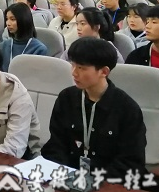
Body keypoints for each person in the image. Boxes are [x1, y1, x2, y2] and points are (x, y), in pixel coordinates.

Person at [42, 37, 146, 179]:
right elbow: (56, 145)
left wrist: (93, 180)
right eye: (73, 65)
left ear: (104, 71)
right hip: (68, 177)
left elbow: (130, 162)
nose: (74, 72)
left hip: (108, 182)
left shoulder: (127, 108)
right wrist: (65, 175)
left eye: (81, 68)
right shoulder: (66, 98)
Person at [0, 3, 48, 71]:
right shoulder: (3, 46)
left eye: (12, 19)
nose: (8, 23)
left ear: (24, 20)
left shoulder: (39, 49)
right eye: (7, 19)